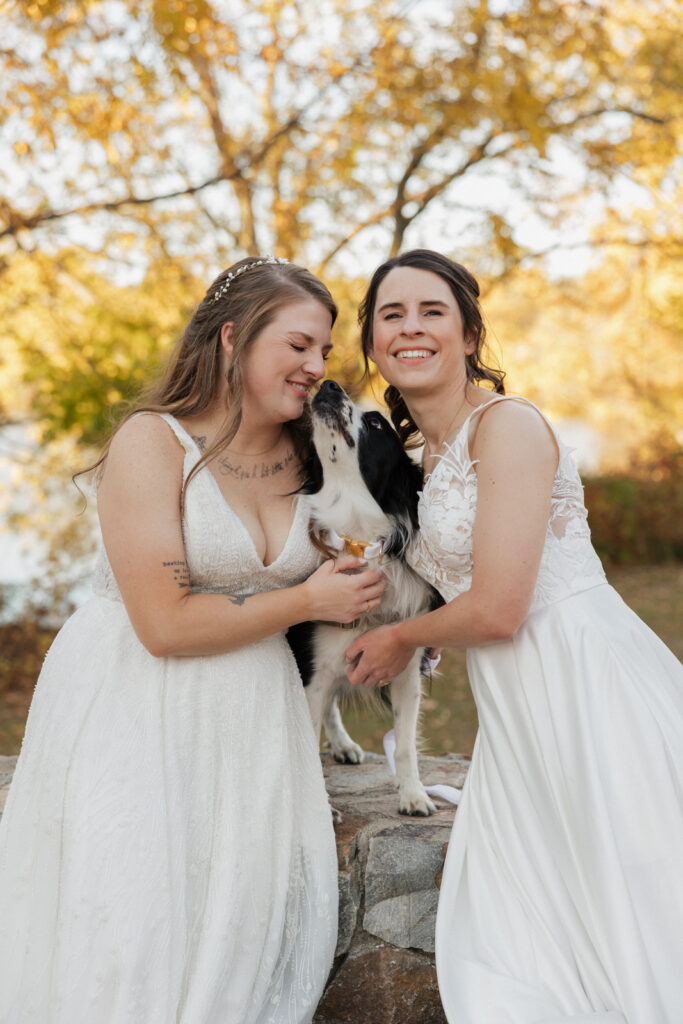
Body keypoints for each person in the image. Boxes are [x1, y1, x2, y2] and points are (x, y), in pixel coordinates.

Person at [0, 255, 386, 1024]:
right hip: (135, 715)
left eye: (325, 352)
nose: (316, 367)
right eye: (299, 345)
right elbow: (164, 623)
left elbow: (384, 538)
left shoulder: (314, 454)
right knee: (128, 941)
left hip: (252, 728)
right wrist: (307, 595)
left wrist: (380, 596)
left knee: (237, 947)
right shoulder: (153, 443)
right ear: (234, 338)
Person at [346, 249, 683, 1023]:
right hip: (515, 706)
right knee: (534, 918)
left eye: (431, 311)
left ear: (469, 333)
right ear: (371, 342)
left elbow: (499, 607)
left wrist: (405, 639)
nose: (410, 328)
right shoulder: (422, 458)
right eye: (390, 315)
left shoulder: (510, 427)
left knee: (636, 889)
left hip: (584, 681)